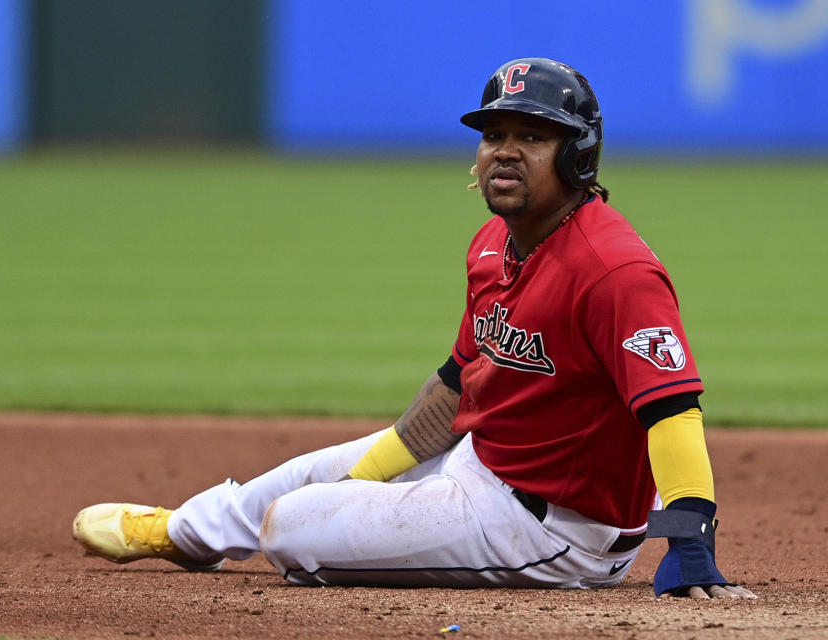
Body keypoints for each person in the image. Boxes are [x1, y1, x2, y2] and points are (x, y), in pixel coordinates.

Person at [73, 58, 755, 598]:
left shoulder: (615, 271)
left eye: (533, 137)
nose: (505, 152)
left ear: (579, 157)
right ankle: (186, 534)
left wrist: (689, 543)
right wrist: (363, 481)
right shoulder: (492, 245)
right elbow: (459, 387)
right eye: (494, 136)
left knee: (292, 529)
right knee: (310, 476)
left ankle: (265, 528)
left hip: (558, 530)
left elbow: (670, 410)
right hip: (482, 461)